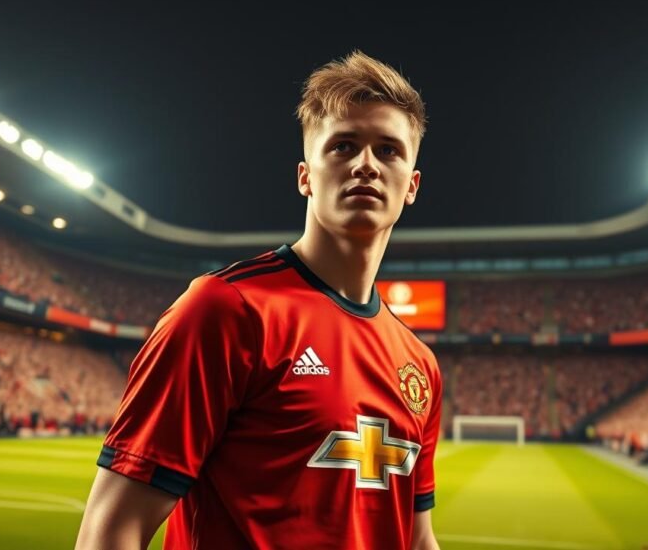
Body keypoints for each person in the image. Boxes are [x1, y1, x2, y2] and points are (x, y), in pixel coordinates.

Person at [75, 51, 441, 550]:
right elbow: (112, 528)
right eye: (343, 146)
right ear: (305, 176)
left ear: (412, 186)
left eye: (389, 151)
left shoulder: (419, 365)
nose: (366, 165)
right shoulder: (227, 310)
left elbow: (416, 538)